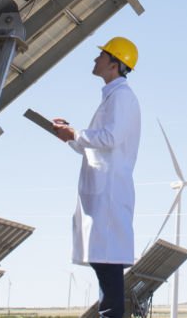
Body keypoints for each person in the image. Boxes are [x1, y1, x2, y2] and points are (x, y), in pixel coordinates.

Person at [53, 37, 141, 318]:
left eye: (101, 56)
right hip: (101, 194)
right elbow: (90, 144)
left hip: (110, 195)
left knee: (108, 266)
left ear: (114, 64)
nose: (95, 60)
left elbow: (111, 137)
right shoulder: (112, 98)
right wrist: (68, 135)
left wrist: (76, 134)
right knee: (104, 264)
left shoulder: (123, 97)